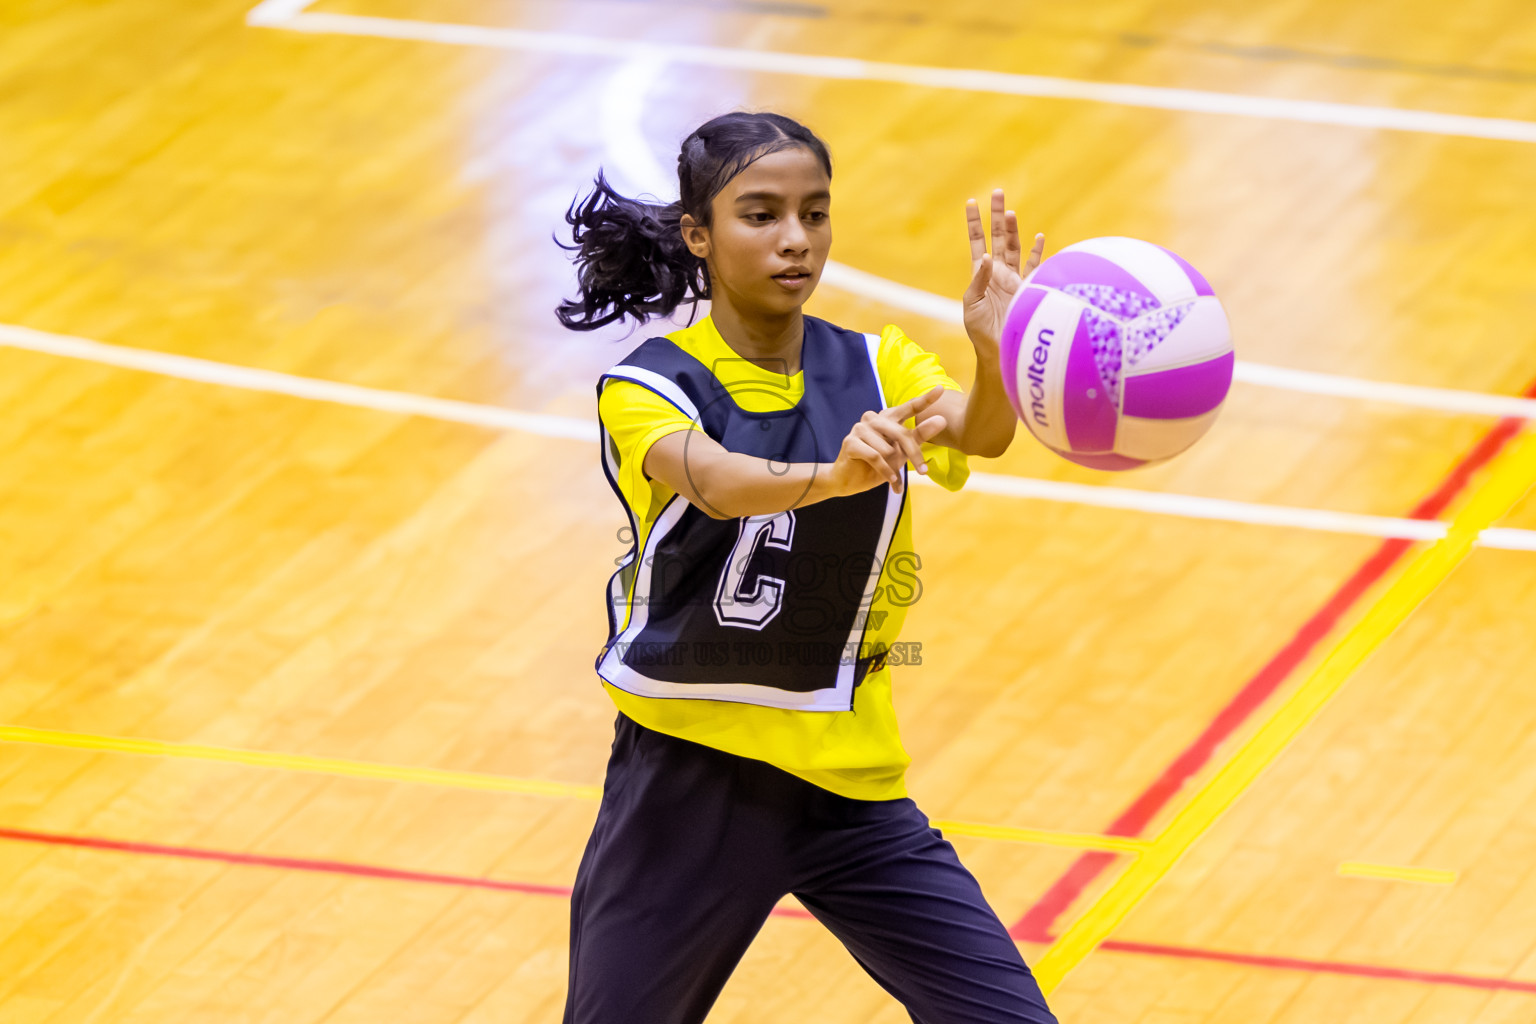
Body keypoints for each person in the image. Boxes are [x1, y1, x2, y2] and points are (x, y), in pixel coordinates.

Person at [555, 110, 1056, 1024]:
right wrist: (831, 477)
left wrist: (994, 351)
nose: (797, 239)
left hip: (847, 786)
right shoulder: (649, 383)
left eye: (815, 214)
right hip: (688, 785)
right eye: (762, 215)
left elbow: (981, 434)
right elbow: (713, 481)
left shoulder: (877, 363)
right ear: (698, 234)